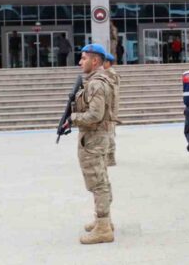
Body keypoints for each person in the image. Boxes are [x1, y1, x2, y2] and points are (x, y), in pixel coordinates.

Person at [62, 43, 115, 244]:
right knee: (100, 180)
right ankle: (104, 221)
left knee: (98, 183)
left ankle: (103, 228)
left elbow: (95, 115)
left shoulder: (96, 83)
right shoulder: (96, 80)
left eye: (83, 58)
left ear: (94, 61)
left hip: (93, 140)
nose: (80, 62)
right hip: (95, 139)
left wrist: (73, 118)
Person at [102, 52, 121, 167]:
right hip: (109, 108)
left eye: (103, 62)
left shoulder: (110, 75)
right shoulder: (108, 74)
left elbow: (111, 94)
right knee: (108, 132)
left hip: (109, 108)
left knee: (108, 132)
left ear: (108, 63)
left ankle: (110, 157)